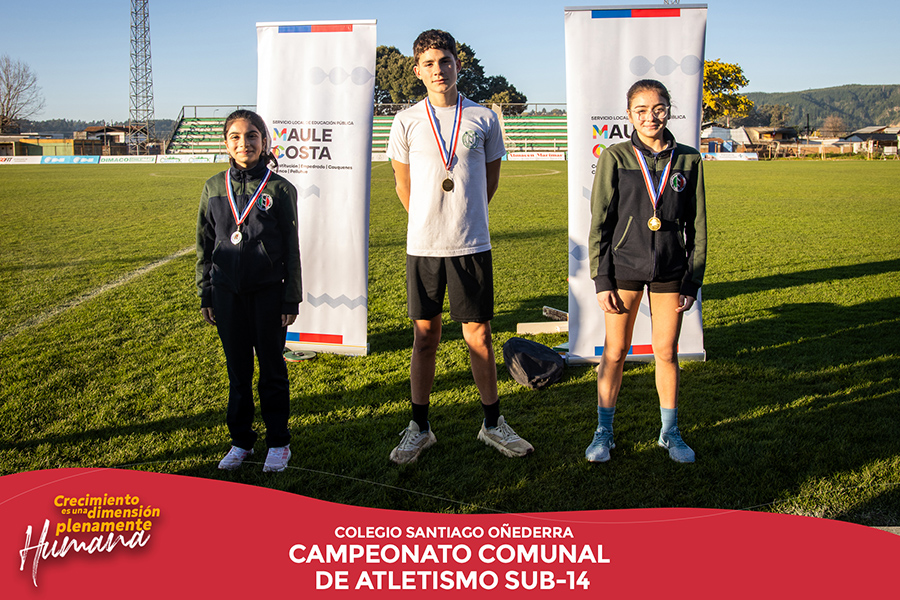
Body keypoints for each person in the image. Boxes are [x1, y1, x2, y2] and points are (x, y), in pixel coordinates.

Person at [386, 29, 533, 464]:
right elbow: (402, 184)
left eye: (445, 61)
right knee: (425, 337)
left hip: (471, 243)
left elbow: (489, 183)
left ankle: (493, 423)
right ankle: (419, 427)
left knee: (480, 335)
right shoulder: (406, 120)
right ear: (417, 71)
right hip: (423, 245)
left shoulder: (484, 118)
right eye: (429, 64)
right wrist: (430, 221)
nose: (439, 70)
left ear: (458, 64)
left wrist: (461, 219)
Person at [585, 79, 707, 464]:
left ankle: (670, 433)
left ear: (668, 110)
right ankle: (604, 432)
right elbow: (600, 222)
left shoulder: (689, 159)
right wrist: (601, 278)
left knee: (666, 352)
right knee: (616, 351)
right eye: (641, 110)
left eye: (658, 109)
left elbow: (698, 225)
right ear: (629, 114)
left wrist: (693, 278)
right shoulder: (615, 157)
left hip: (671, 268)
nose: (650, 117)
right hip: (624, 265)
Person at [196, 109, 302, 473]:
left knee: (272, 371)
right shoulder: (213, 187)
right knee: (238, 373)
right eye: (236, 137)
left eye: (252, 136)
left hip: (269, 294)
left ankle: (278, 442)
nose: (245, 143)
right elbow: (204, 244)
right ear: (226, 144)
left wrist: (291, 297)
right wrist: (207, 293)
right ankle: (241, 441)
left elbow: (292, 248)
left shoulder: (280, 189)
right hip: (227, 294)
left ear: (265, 141)